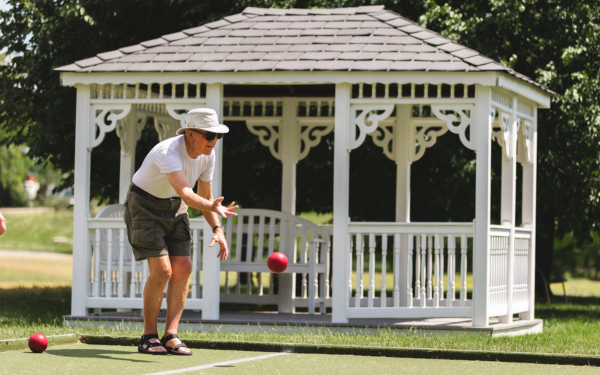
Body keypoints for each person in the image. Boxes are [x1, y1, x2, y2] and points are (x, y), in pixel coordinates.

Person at [124, 108, 237, 356]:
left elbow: (205, 195)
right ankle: (148, 336)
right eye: (209, 134)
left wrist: (217, 227)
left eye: (217, 135)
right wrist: (212, 207)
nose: (213, 140)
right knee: (163, 270)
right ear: (190, 134)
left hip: (176, 208)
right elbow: (187, 192)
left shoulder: (209, 154)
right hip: (144, 206)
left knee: (183, 267)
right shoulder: (168, 152)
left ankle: (170, 335)